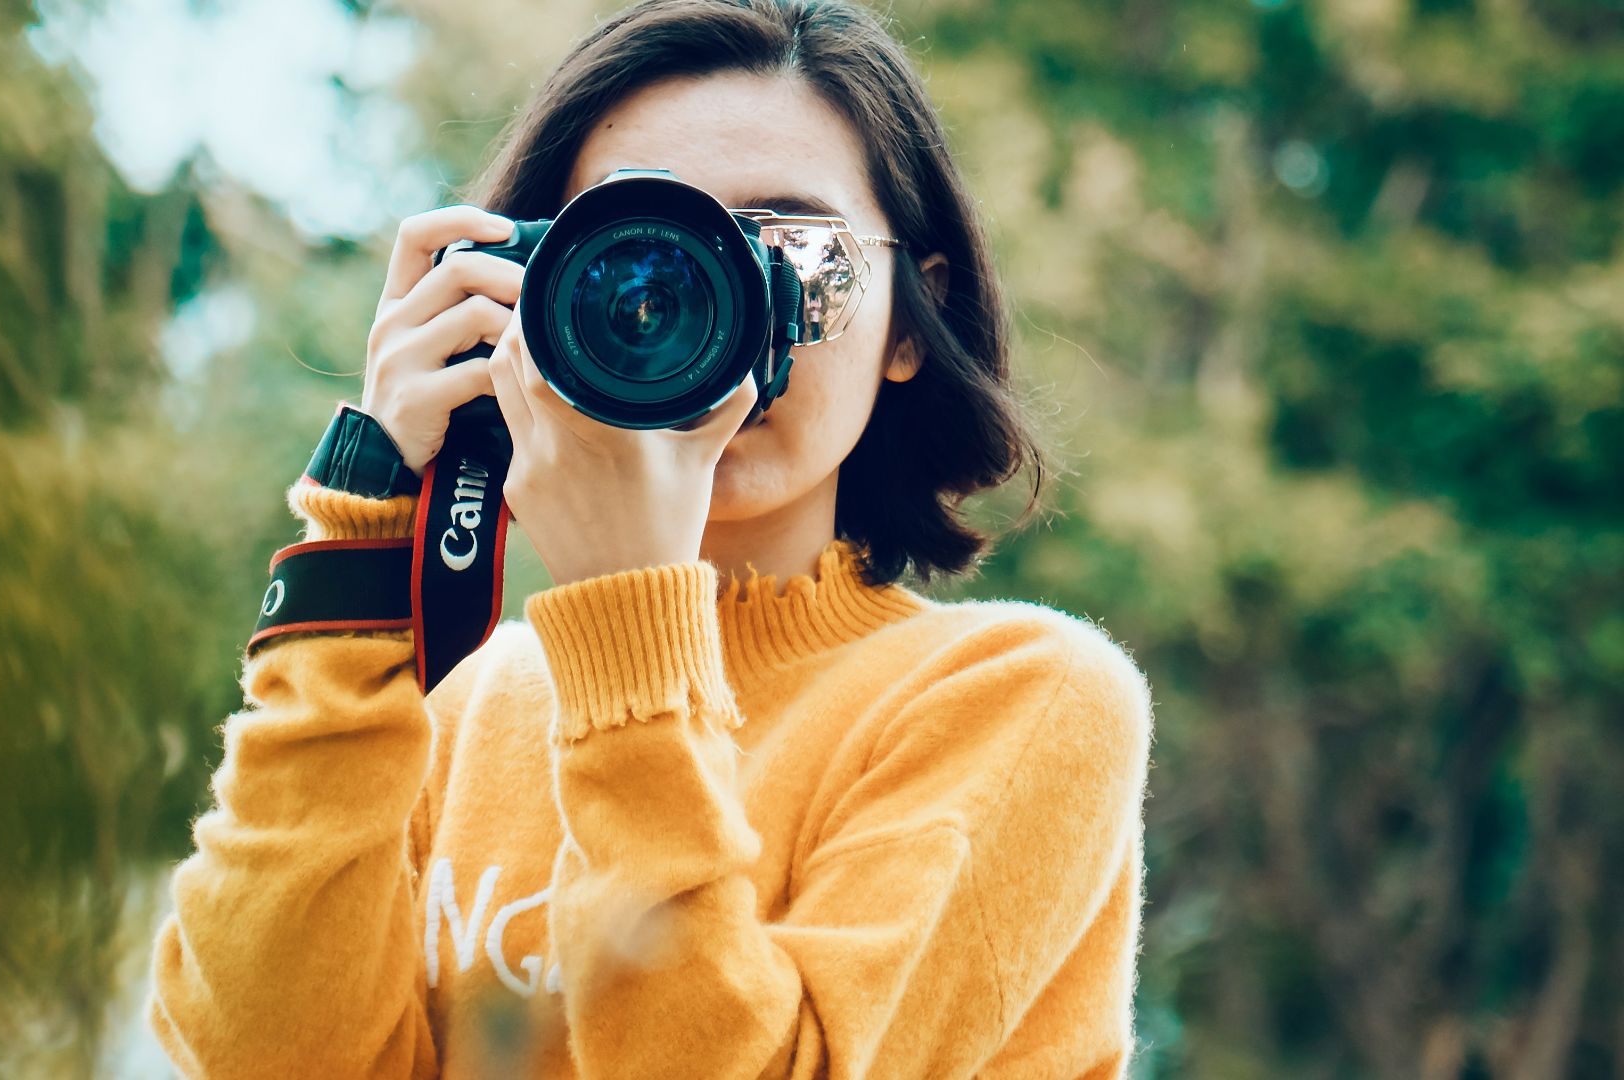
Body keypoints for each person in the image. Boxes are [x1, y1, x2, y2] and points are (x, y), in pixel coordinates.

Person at [146, 0, 1154, 1076]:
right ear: (526, 296)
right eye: (637, 255)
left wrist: (631, 626)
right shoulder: (458, 702)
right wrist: (364, 521)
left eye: (792, 249)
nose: (707, 305)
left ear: (910, 317)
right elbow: (266, 1056)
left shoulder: (1022, 699)